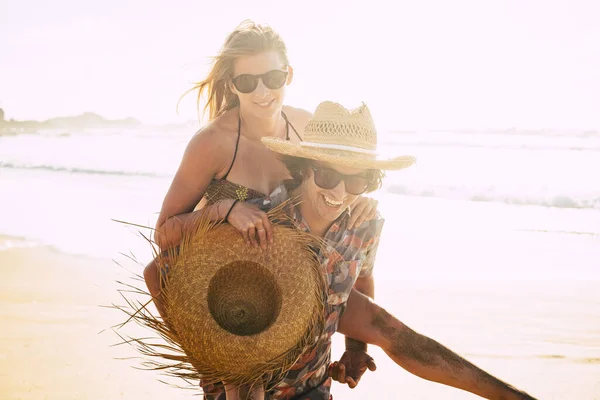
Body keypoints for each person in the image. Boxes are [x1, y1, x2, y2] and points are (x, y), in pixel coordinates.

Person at [221, 100, 536, 399]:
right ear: (305, 168)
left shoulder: (363, 225)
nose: (340, 193)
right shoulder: (259, 222)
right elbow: (232, 346)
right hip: (244, 389)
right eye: (328, 175)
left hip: (313, 388)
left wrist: (357, 348)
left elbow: (360, 282)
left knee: (390, 328)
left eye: (356, 180)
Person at [141, 20, 377, 399]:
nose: (263, 91)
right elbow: (164, 234)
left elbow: (339, 186)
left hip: (298, 319)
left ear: (289, 75)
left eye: (272, 77)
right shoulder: (213, 143)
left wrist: (358, 198)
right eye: (247, 82)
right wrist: (224, 209)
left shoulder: (306, 128)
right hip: (237, 326)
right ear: (232, 85)